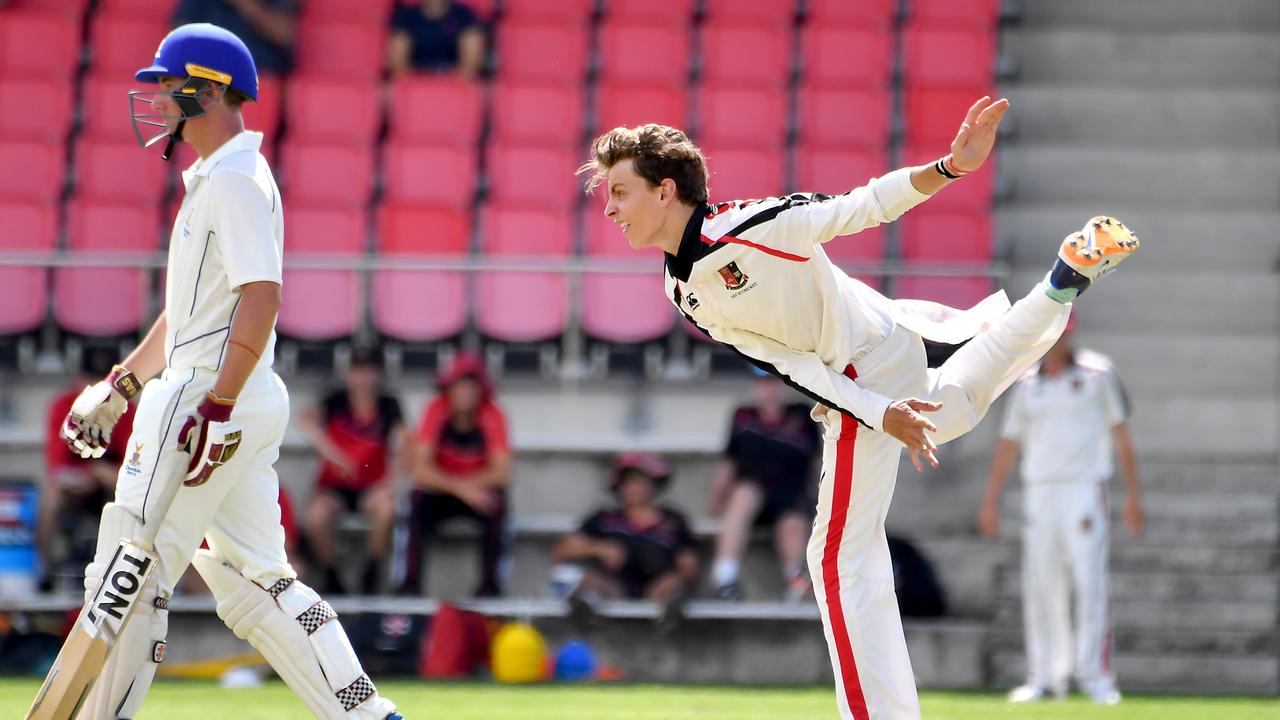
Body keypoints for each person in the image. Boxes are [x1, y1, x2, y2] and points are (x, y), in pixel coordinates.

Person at [578, 96, 1139, 720]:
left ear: (664, 191)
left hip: (864, 366)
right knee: (951, 409)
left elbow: (859, 207)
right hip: (866, 371)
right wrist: (881, 412)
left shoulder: (748, 227)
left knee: (836, 556)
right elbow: (787, 365)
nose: (609, 208)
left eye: (621, 192)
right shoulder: (681, 289)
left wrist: (950, 167)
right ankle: (1057, 288)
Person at [49, 24, 400, 718]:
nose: (156, 99)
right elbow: (188, 315)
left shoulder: (235, 179)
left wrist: (215, 406)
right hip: (231, 391)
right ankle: (366, 713)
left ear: (207, 90)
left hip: (206, 394)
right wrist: (120, 386)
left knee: (131, 570)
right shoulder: (219, 176)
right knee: (253, 579)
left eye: (168, 85)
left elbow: (262, 297)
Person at [980, 317, 1143, 705]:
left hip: (1085, 490)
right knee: (1041, 584)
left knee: (1089, 582)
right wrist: (991, 500)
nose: (1058, 340)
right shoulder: (1025, 384)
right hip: (1040, 492)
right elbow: (1008, 443)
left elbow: (1122, 437)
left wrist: (1134, 497)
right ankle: (1044, 676)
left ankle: (1095, 676)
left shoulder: (1098, 374)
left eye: (1064, 332)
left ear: (1071, 334)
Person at [396, 353, 511, 597]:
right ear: (449, 387)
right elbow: (420, 470)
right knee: (416, 503)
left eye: (472, 384)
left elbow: (502, 473)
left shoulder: (493, 414)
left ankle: (490, 587)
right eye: (460, 384)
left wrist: (467, 489)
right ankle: (410, 585)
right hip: (445, 493)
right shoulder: (435, 410)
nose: (466, 391)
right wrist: (462, 489)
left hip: (477, 494)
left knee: (498, 506)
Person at [298, 347, 404, 595]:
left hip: (371, 486)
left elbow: (407, 443)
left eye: (369, 371)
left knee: (387, 508)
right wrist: (334, 455)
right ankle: (331, 573)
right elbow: (305, 420)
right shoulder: (336, 400)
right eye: (358, 371)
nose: (363, 378)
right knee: (316, 516)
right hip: (334, 486)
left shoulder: (388, 405)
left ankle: (372, 570)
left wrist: (391, 482)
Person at [708, 369, 819, 602]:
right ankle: (725, 578)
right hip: (753, 493)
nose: (769, 389)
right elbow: (730, 460)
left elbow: (817, 461)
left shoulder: (803, 416)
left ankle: (796, 582)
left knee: (793, 523)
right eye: (763, 383)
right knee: (743, 495)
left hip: (791, 494)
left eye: (773, 382)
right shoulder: (743, 416)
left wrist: (824, 497)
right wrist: (717, 497)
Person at [37, 349, 136, 589]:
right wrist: (91, 473)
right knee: (51, 498)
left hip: (110, 486)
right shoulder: (63, 406)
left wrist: (100, 475)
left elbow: (131, 471)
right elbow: (56, 469)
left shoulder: (126, 411)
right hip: (76, 485)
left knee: (129, 497)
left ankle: (126, 574)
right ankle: (45, 570)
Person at [550, 453, 699, 609]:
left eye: (641, 481)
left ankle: (669, 613)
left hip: (660, 591)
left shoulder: (673, 521)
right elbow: (561, 551)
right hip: (612, 589)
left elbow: (689, 566)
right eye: (628, 482)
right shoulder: (603, 518)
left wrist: (671, 579)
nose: (635, 488)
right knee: (584, 579)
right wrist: (598, 548)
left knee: (674, 586)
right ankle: (587, 611)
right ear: (618, 486)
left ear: (653, 484)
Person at [173, 0, 297, 75]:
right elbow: (180, 34)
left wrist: (246, 5)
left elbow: (284, 34)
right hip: (208, 73)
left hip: (257, 75)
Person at [388, 0, 486, 79]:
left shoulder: (465, 16)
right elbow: (398, 66)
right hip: (416, 86)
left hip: (456, 86)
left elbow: (470, 67)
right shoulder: (406, 17)